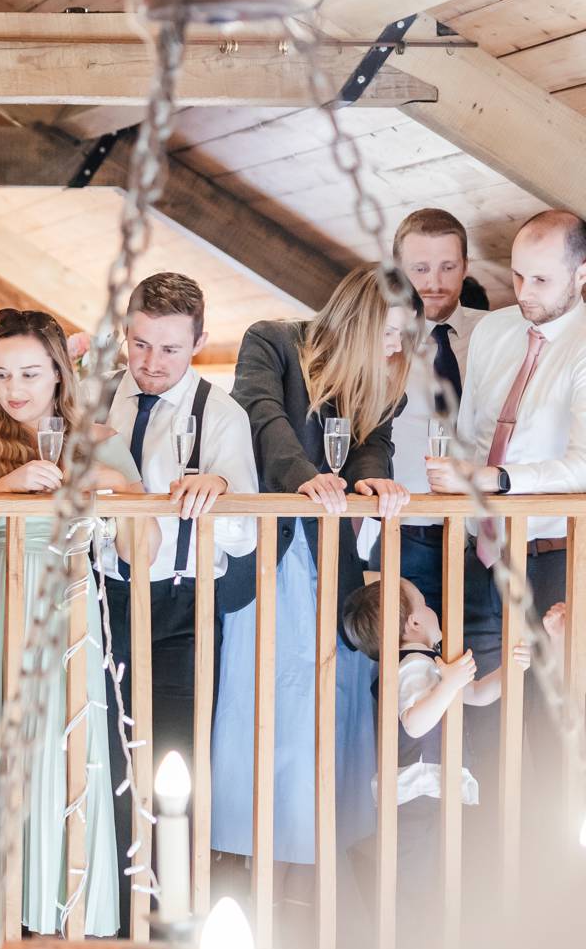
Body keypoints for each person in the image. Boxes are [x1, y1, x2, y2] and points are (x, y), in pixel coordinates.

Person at [0, 309, 143, 937]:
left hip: (67, 608)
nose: (15, 388)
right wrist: (1, 491)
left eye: (30, 374)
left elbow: (137, 551)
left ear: (60, 372)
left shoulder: (100, 438)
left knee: (59, 753)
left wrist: (112, 486)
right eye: (3, 373)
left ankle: (54, 912)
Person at [220, 268, 412, 878]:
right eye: (389, 332)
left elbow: (374, 443)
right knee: (263, 697)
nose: (396, 346)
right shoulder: (271, 341)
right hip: (271, 552)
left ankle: (318, 856)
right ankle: (247, 852)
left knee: (331, 700)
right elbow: (262, 416)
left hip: (334, 557)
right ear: (360, 321)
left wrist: (373, 480)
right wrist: (303, 477)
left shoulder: (383, 382)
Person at [99, 273, 257, 931]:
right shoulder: (94, 400)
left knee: (173, 764)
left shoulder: (221, 415)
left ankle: (168, 922)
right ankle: (107, 914)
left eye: (169, 348)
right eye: (140, 344)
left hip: (181, 607)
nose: (152, 362)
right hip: (101, 600)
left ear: (198, 342)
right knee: (104, 759)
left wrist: (220, 488)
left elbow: (247, 533)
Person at [429, 209, 586, 837]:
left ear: (581, 275)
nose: (524, 293)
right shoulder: (494, 331)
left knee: (550, 721)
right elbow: (471, 434)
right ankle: (489, 867)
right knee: (480, 720)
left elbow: (583, 463)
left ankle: (557, 865)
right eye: (518, 276)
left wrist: (497, 479)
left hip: (553, 560)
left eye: (541, 280)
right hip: (482, 557)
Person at [342, 577, 525, 949]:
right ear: (413, 623)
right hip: (418, 795)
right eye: (425, 604)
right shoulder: (409, 666)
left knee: (437, 885)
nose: (432, 610)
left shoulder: (428, 663)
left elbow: (478, 693)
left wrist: (512, 669)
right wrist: (449, 684)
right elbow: (414, 722)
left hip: (435, 792)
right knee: (416, 889)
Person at [377, 208, 485, 611]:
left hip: (489, 530)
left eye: (448, 267)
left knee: (497, 647)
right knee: (408, 646)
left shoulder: (496, 334)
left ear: (465, 266)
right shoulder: (380, 339)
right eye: (420, 268)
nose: (434, 283)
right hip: (409, 529)